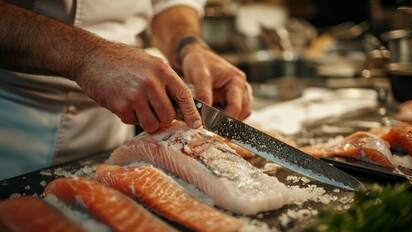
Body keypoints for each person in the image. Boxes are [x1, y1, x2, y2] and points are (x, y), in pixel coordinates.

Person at [0, 0, 252, 180]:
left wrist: (190, 46)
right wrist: (87, 57)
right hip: (13, 118)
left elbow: (168, 4)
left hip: (110, 124)